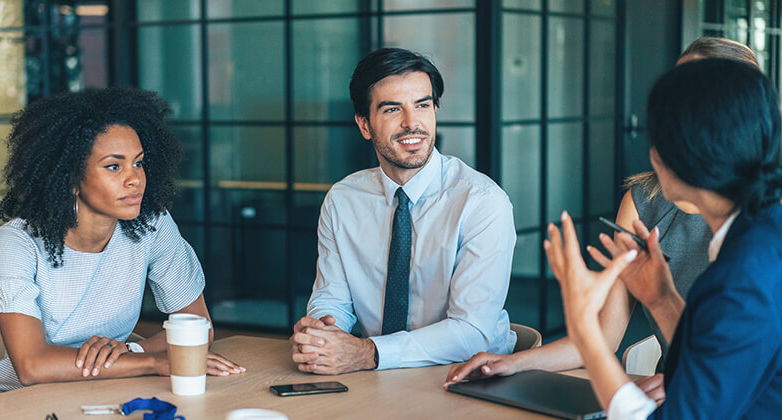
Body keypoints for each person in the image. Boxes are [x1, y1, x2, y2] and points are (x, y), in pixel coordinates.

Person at [446, 37, 759, 397]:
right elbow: (606, 335)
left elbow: (760, 358)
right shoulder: (646, 201)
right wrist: (511, 363)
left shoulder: (767, 217)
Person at [549, 58, 782, 418]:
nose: (652, 154)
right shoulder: (763, 234)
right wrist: (661, 299)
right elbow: (720, 366)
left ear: (686, 155)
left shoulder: (742, 279)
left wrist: (583, 326)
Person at [0, 87, 245, 394]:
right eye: (113, 166)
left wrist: (130, 354)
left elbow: (198, 326)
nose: (134, 178)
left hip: (111, 389)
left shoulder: (152, 225)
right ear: (69, 178)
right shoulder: (17, 242)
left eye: (139, 162)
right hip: (22, 400)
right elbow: (32, 366)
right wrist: (154, 362)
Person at [289, 48, 517, 374]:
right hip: (378, 378)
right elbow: (332, 298)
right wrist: (320, 334)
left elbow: (472, 333)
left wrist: (369, 353)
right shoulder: (343, 200)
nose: (412, 123)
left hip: (469, 379)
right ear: (364, 125)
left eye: (422, 105)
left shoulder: (482, 202)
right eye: (393, 109)